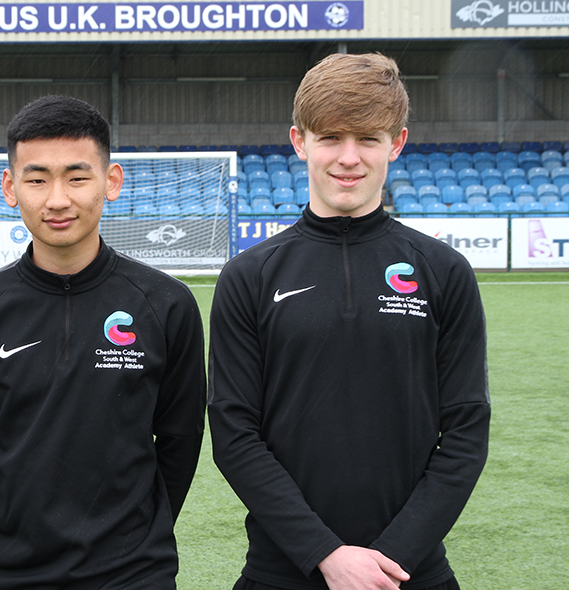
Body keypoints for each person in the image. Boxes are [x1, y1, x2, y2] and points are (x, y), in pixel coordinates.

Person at [208, 53, 490, 590]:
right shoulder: (249, 275)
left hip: (410, 570)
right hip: (281, 570)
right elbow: (234, 433)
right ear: (299, 142)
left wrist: (388, 557)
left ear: (397, 143)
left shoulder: (444, 271)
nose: (348, 158)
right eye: (331, 138)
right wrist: (326, 554)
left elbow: (465, 429)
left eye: (368, 138)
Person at [0, 95, 206, 589]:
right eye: (37, 178)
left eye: (77, 177)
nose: (57, 198)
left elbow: (180, 440)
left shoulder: (167, 305)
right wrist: (5, 542)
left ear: (111, 182)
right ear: (10, 187)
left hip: (135, 575)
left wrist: (139, 541)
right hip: (12, 574)